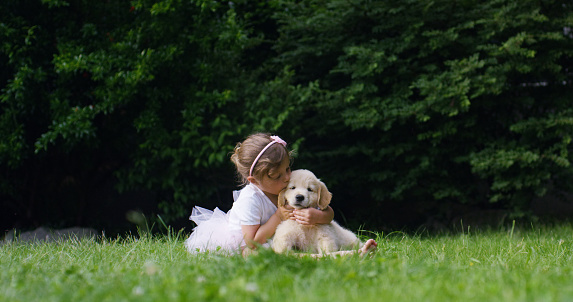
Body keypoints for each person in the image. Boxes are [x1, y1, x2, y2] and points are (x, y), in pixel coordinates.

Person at [185, 133, 376, 257]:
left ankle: (345, 250)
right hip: (248, 244)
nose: (286, 178)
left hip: (280, 237)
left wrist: (318, 215)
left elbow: (329, 213)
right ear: (254, 180)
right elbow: (252, 240)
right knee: (268, 254)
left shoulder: (289, 187)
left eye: (287, 169)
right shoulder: (250, 200)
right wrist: (278, 216)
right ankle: (334, 257)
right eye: (277, 176)